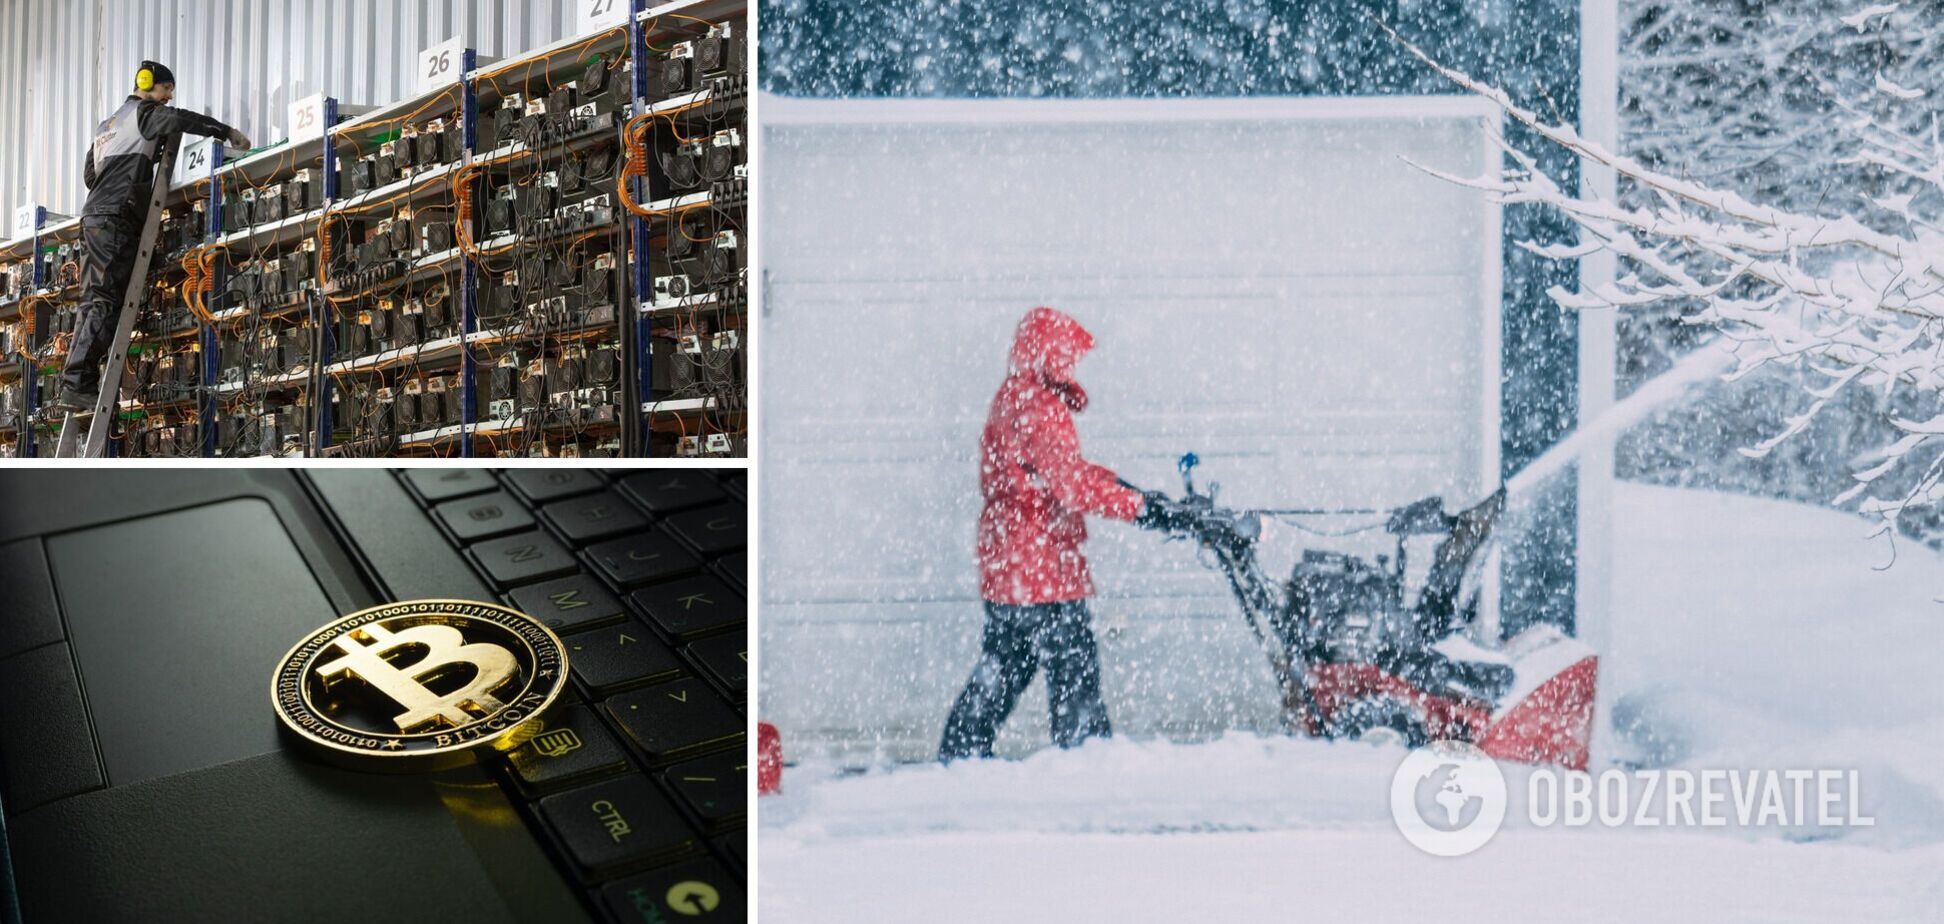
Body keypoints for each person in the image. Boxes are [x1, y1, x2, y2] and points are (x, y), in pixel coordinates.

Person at [939, 306, 1178, 761]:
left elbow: (1054, 472)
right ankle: (1086, 759)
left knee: (1006, 663)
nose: (1071, 365)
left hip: (1009, 561)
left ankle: (961, 752)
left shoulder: (1011, 397)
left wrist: (1120, 485)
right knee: (1074, 668)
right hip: (1041, 565)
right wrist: (1141, 508)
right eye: (1067, 355)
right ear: (1049, 354)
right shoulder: (1042, 408)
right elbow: (1069, 485)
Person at [50, 61, 250, 416]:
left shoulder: (107, 125)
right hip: (115, 218)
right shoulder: (147, 113)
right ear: (153, 86)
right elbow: (176, 120)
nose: (169, 96)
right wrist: (224, 130)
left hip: (94, 217)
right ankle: (78, 383)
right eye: (167, 89)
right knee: (105, 300)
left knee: (92, 299)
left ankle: (78, 381)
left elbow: (89, 175)